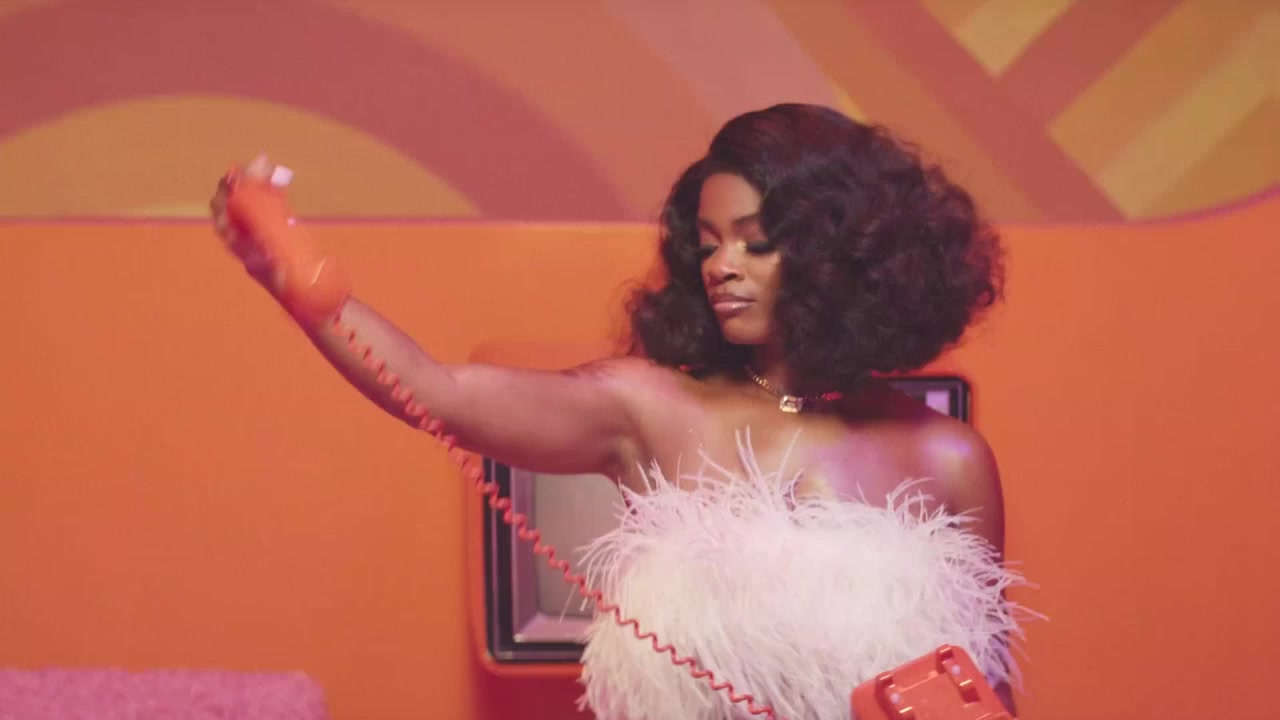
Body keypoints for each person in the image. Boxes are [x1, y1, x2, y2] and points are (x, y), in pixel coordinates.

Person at [211, 103, 1029, 720]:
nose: (722, 267)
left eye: (754, 240)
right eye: (707, 243)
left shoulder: (949, 458)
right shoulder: (650, 409)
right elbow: (438, 392)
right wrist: (294, 284)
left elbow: (986, 683)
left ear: (842, 252)